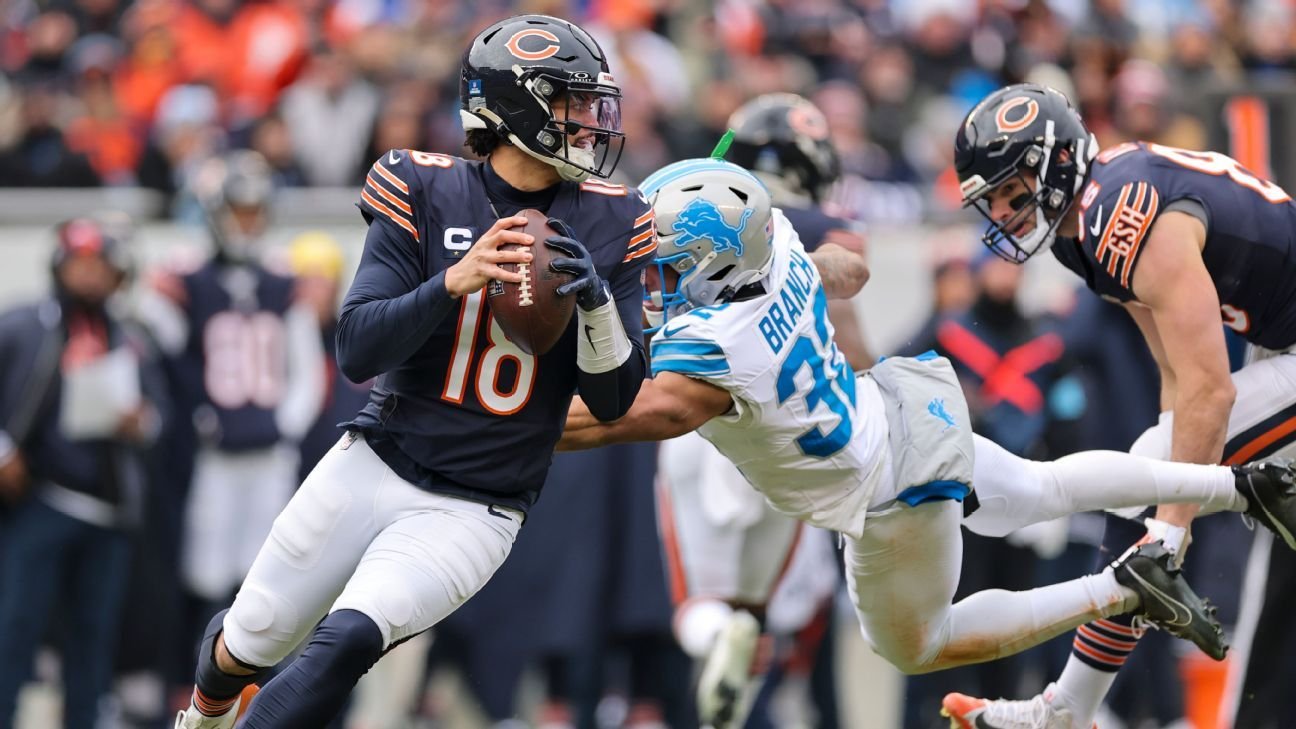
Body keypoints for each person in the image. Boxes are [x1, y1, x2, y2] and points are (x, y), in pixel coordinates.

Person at [558, 156, 1296, 693]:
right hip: (907, 405)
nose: (652, 279)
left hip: (881, 497)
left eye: (666, 263)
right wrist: (802, 268)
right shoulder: (776, 247)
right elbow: (849, 269)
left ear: (710, 264)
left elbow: (615, 417)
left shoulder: (707, 360)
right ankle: (1237, 484)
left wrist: (504, 421)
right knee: (1038, 488)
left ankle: (1120, 589)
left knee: (919, 646)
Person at [171, 13, 653, 729]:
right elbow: (358, 347)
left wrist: (593, 308)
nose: (589, 121)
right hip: (375, 460)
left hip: (478, 505)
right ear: (515, 104)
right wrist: (452, 282)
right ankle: (204, 712)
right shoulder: (423, 188)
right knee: (248, 639)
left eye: (591, 104)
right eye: (569, 102)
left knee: (348, 639)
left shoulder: (614, 220)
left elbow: (615, 401)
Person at [941, 82, 1296, 729]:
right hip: (1280, 351)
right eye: (989, 200)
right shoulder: (1082, 233)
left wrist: (1168, 531)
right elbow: (1173, 374)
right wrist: (1159, 519)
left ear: (1056, 162)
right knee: (1147, 474)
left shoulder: (1125, 212)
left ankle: (1066, 708)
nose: (1002, 212)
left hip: (1286, 353)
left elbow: (1210, 388)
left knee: (1147, 490)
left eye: (1011, 190)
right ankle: (1067, 706)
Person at [655, 94, 870, 729]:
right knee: (759, 606)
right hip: (785, 433)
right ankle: (741, 654)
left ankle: (716, 642)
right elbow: (853, 307)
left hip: (697, 412)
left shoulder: (677, 206)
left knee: (697, 601)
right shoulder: (810, 224)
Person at [139, 150, 325, 621]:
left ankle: (251, 682)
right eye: (239, 212)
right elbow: (160, 334)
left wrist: (285, 426)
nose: (247, 222)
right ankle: (204, 677)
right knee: (206, 566)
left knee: (267, 564)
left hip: (268, 450)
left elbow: (306, 368)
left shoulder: (283, 280)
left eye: (255, 212)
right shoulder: (189, 277)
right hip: (213, 450)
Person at [0, 217, 168, 728]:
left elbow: (161, 411)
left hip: (108, 508)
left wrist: (142, 421)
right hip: (40, 501)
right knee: (15, 628)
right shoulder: (23, 324)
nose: (92, 277)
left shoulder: (131, 335)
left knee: (93, 638)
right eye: (81, 264)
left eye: (102, 266)